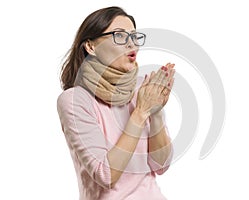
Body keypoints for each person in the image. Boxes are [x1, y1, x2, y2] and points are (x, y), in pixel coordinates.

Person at [57, 6, 175, 200]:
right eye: (120, 36)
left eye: (134, 37)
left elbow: (161, 166)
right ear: (91, 46)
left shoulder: (141, 89)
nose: (132, 45)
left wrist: (155, 113)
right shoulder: (74, 100)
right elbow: (106, 175)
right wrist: (140, 113)